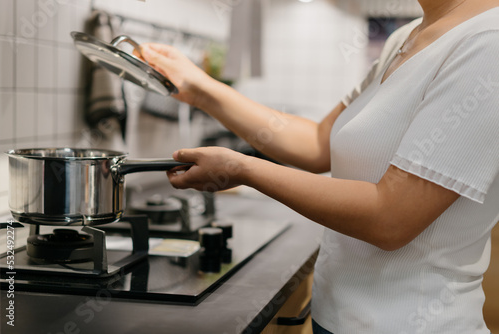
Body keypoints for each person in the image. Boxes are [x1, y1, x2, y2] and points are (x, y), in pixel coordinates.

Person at [137, 0, 499, 332]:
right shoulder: (407, 35)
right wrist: (200, 88)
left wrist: (244, 168)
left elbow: (391, 217)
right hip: (336, 317)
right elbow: (317, 142)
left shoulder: (488, 43)